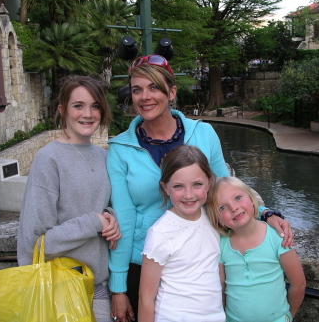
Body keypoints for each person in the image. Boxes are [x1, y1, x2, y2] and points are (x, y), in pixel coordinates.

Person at [106, 54, 294, 322]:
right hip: (146, 265)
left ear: (171, 92)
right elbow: (124, 218)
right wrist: (118, 288)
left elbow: (224, 188)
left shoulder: (203, 133)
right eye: (137, 89)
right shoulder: (120, 150)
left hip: (200, 261)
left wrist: (263, 213)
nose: (145, 96)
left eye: (154, 87)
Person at [17, 75, 121, 322]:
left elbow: (103, 206)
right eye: (78, 105)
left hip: (98, 286)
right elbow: (37, 243)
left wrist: (111, 218)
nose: (88, 113)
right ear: (62, 110)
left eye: (95, 106)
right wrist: (95, 222)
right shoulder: (48, 159)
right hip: (60, 285)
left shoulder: (104, 156)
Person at [138, 145, 225, 322]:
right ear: (165, 188)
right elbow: (146, 299)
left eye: (197, 185)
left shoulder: (214, 217)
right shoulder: (160, 233)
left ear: (209, 182)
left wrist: (267, 215)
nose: (188, 195)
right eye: (178, 186)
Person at [206, 176, 306, 322]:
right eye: (222, 207)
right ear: (217, 218)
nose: (234, 208)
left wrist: (288, 316)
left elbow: (298, 284)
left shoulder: (276, 237)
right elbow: (221, 288)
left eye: (238, 198)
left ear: (253, 200)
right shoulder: (221, 244)